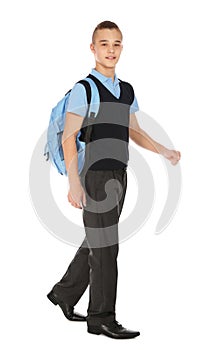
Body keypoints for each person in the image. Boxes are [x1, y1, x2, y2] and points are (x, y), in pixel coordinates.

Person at [47, 21, 181, 339]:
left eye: (117, 43)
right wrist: (74, 183)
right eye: (104, 44)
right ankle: (101, 318)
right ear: (92, 49)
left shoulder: (127, 90)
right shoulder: (86, 88)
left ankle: (64, 294)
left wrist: (163, 150)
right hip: (93, 175)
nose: (111, 49)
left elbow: (134, 131)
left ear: (122, 48)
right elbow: (69, 137)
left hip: (119, 174)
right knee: (106, 246)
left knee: (98, 241)